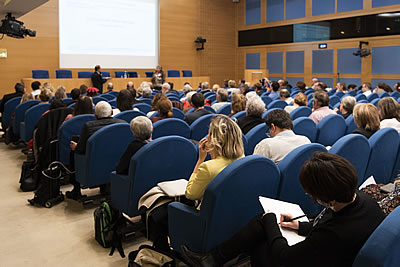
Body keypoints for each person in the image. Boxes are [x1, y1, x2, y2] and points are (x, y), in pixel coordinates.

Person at [182, 152, 385, 267]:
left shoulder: (333, 235)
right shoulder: (364, 200)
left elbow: (284, 257)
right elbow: (329, 222)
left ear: (325, 197)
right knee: (265, 225)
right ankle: (212, 260)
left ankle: (212, 260)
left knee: (262, 241)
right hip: (333, 253)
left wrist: (271, 220)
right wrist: (300, 226)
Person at [67, 101, 125, 199]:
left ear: (95, 115)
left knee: (74, 152)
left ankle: (76, 190)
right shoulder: (122, 124)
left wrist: (75, 147)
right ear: (111, 112)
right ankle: (106, 186)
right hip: (115, 164)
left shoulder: (89, 126)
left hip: (94, 165)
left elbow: (81, 150)